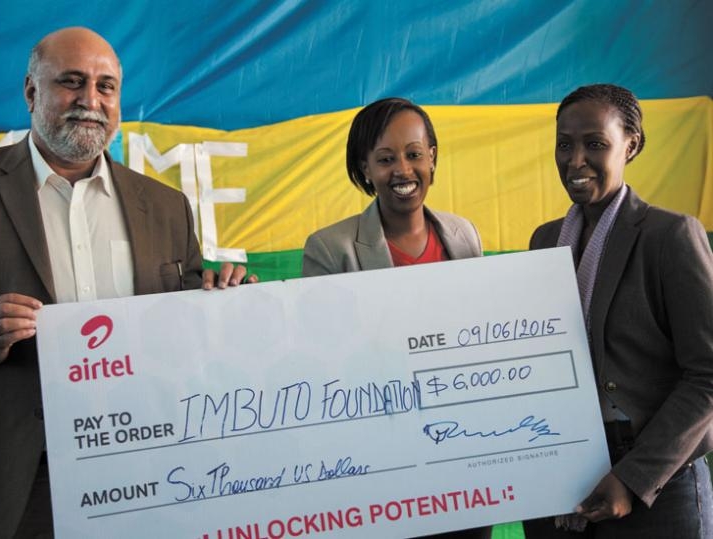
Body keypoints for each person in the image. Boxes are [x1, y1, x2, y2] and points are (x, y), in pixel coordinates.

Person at [0, 27, 252, 538]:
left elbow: (181, 329)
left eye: (106, 86)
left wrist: (222, 303)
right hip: (0, 476)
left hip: (145, 468)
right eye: (72, 81)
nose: (91, 100)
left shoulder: (166, 206)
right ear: (31, 92)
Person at [522, 84, 713, 538]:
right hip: (559, 480)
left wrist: (634, 477)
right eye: (564, 145)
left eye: (595, 144)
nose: (575, 160)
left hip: (656, 484)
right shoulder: (544, 241)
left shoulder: (669, 236)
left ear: (631, 145)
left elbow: (708, 373)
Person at [303, 97, 489, 539]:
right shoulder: (330, 249)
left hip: (463, 464)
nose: (403, 170)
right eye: (386, 159)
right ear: (365, 169)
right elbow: (323, 363)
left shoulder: (464, 235)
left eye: (414, 154)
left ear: (432, 157)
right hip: (381, 468)